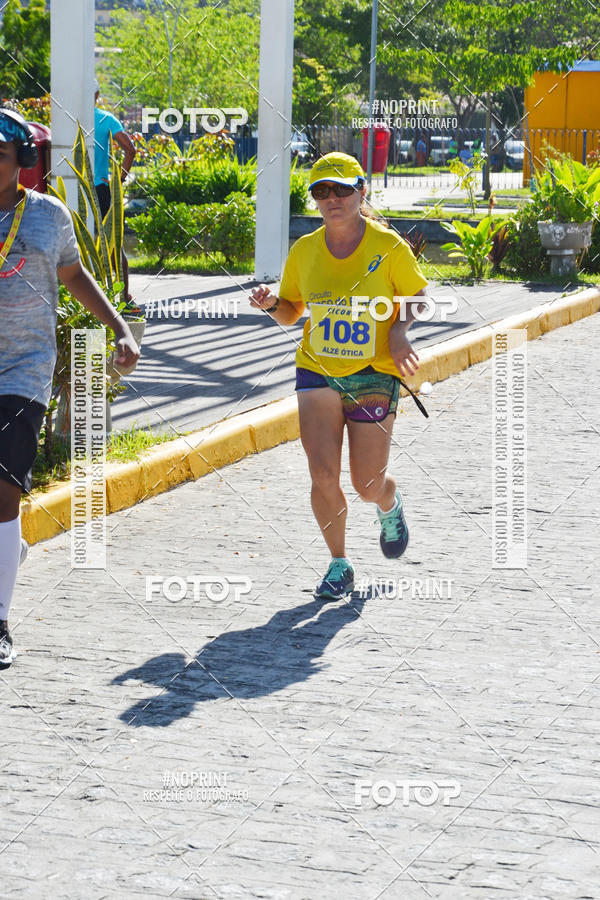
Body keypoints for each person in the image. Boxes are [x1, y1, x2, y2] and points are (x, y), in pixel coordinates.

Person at [250, 152, 428, 600]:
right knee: (322, 473)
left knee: (366, 483)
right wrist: (272, 303)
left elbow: (417, 295)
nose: (332, 198)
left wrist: (400, 333)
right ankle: (339, 563)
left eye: (342, 189)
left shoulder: (387, 247)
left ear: (361, 190)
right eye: (321, 191)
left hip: (372, 373)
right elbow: (292, 312)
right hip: (317, 370)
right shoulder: (305, 251)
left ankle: (389, 503)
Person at [0, 109, 140, 666]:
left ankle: (0, 622)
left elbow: (75, 276)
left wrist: (121, 329)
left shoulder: (48, 216)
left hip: (24, 371)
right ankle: (9, 551)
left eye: (0, 155)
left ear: (22, 163)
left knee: (5, 493)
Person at [94, 81, 139, 314]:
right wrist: (119, 181)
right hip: (101, 188)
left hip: (72, 190)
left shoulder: (66, 118)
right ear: (97, 94)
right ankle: (123, 298)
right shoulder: (106, 119)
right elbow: (130, 149)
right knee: (114, 243)